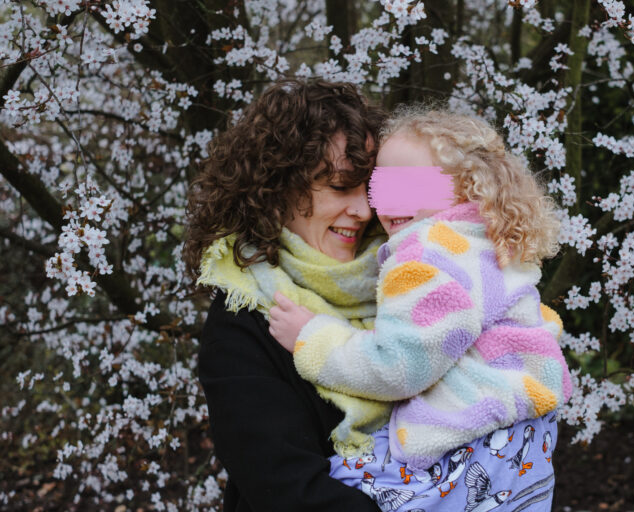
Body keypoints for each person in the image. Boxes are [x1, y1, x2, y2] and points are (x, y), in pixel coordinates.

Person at [269, 109, 572, 511]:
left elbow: (399, 367)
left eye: (412, 186)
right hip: (526, 441)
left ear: (466, 187)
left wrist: (313, 340)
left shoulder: (426, 255)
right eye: (382, 187)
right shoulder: (490, 240)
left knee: (341, 480)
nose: (391, 202)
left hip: (469, 443)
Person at [183, 79, 388, 511]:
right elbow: (288, 491)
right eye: (340, 186)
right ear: (277, 190)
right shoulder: (242, 323)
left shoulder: (413, 275)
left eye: (369, 187)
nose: (365, 210)